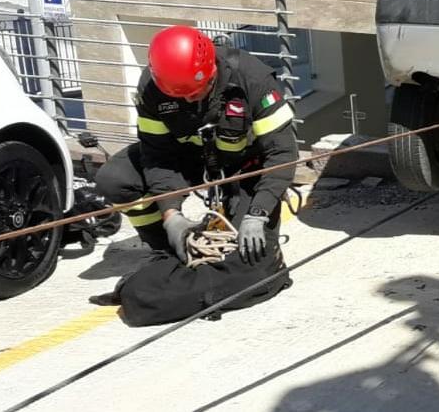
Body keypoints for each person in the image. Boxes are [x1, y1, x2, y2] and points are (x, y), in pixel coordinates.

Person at [95, 25, 297, 264]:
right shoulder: (153, 88)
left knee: (249, 259)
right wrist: (171, 215)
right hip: (187, 161)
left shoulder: (252, 79)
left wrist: (258, 212)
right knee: (115, 180)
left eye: (195, 93)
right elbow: (158, 156)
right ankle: (166, 249)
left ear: (211, 72)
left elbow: (282, 153)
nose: (188, 99)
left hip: (243, 167)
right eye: (179, 96)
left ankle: (239, 210)